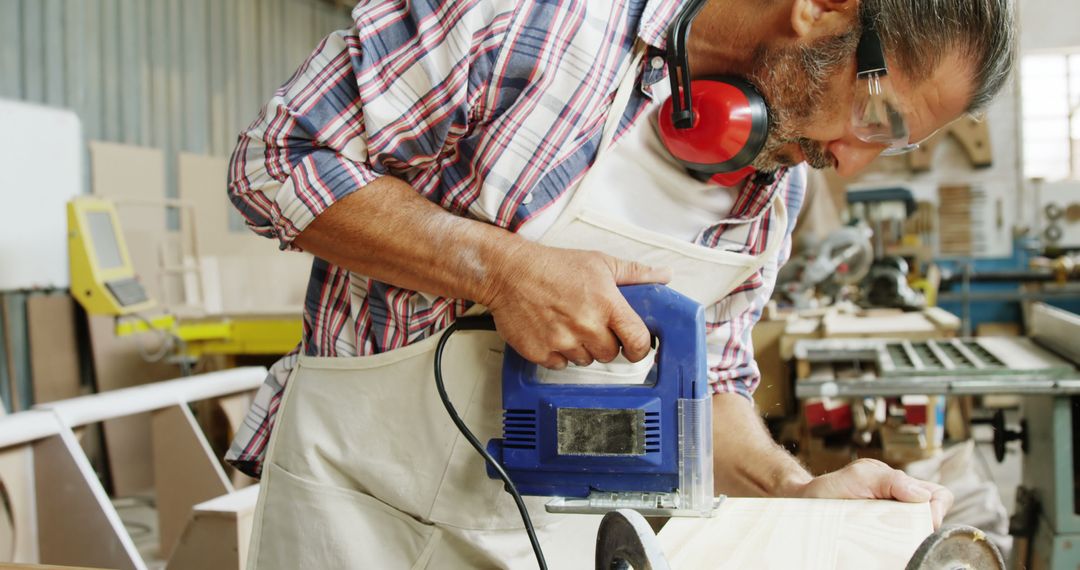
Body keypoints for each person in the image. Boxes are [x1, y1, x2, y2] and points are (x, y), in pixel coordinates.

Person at [226, 0, 1016, 567]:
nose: (854, 159)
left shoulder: (774, 189)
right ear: (821, 8)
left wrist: (792, 486)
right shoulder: (523, 21)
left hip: (556, 537)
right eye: (877, 116)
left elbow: (711, 386)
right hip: (354, 512)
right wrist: (499, 270)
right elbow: (274, 161)